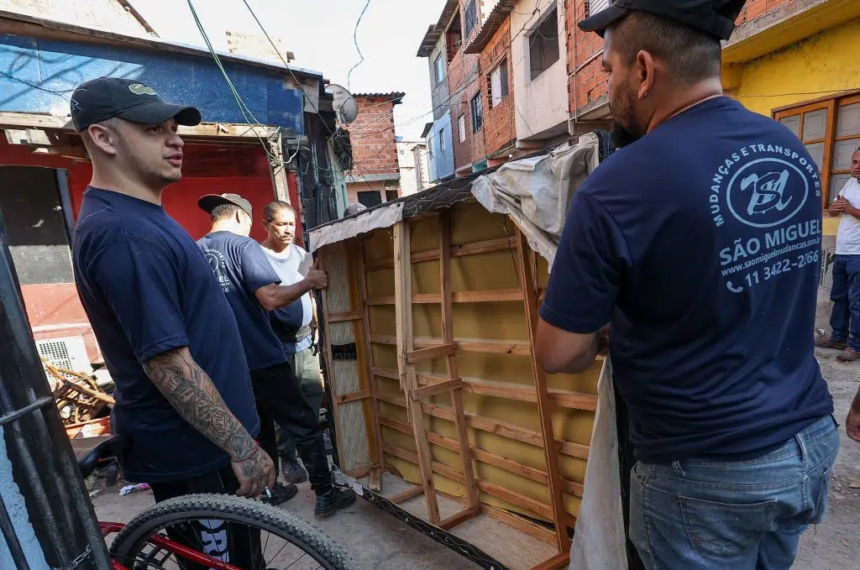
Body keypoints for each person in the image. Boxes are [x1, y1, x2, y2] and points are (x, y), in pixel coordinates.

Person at [534, 2, 838, 569]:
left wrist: (602, 332)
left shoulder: (616, 186)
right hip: (807, 444)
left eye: (608, 70)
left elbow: (557, 351)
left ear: (644, 71)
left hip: (705, 472)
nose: (608, 86)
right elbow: (755, 281)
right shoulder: (792, 151)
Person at [71, 77, 273, 566]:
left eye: (174, 127)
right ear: (104, 137)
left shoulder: (141, 217)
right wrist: (242, 447)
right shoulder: (124, 232)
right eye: (152, 128)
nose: (175, 138)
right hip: (195, 455)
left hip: (206, 449)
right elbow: (167, 363)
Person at [196, 193, 356, 517]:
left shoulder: (194, 250)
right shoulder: (244, 246)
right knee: (304, 424)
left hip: (224, 365)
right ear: (243, 218)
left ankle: (268, 493)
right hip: (260, 356)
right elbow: (269, 298)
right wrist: (309, 281)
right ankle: (325, 494)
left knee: (258, 428)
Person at [259, 201, 324, 484]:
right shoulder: (258, 257)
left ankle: (312, 456)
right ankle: (287, 456)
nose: (288, 230)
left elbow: (312, 291)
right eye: (280, 224)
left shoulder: (300, 254)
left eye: (291, 223)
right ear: (265, 226)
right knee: (284, 407)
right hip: (277, 344)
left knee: (311, 397)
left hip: (305, 341)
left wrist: (317, 320)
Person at [817, 147, 860, 362]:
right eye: (854, 162)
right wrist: (835, 208)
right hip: (842, 250)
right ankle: (838, 338)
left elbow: (849, 209)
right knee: (839, 297)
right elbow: (835, 209)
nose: (856, 167)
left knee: (857, 301)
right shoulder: (850, 183)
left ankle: (855, 345)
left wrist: (850, 209)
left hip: (859, 254)